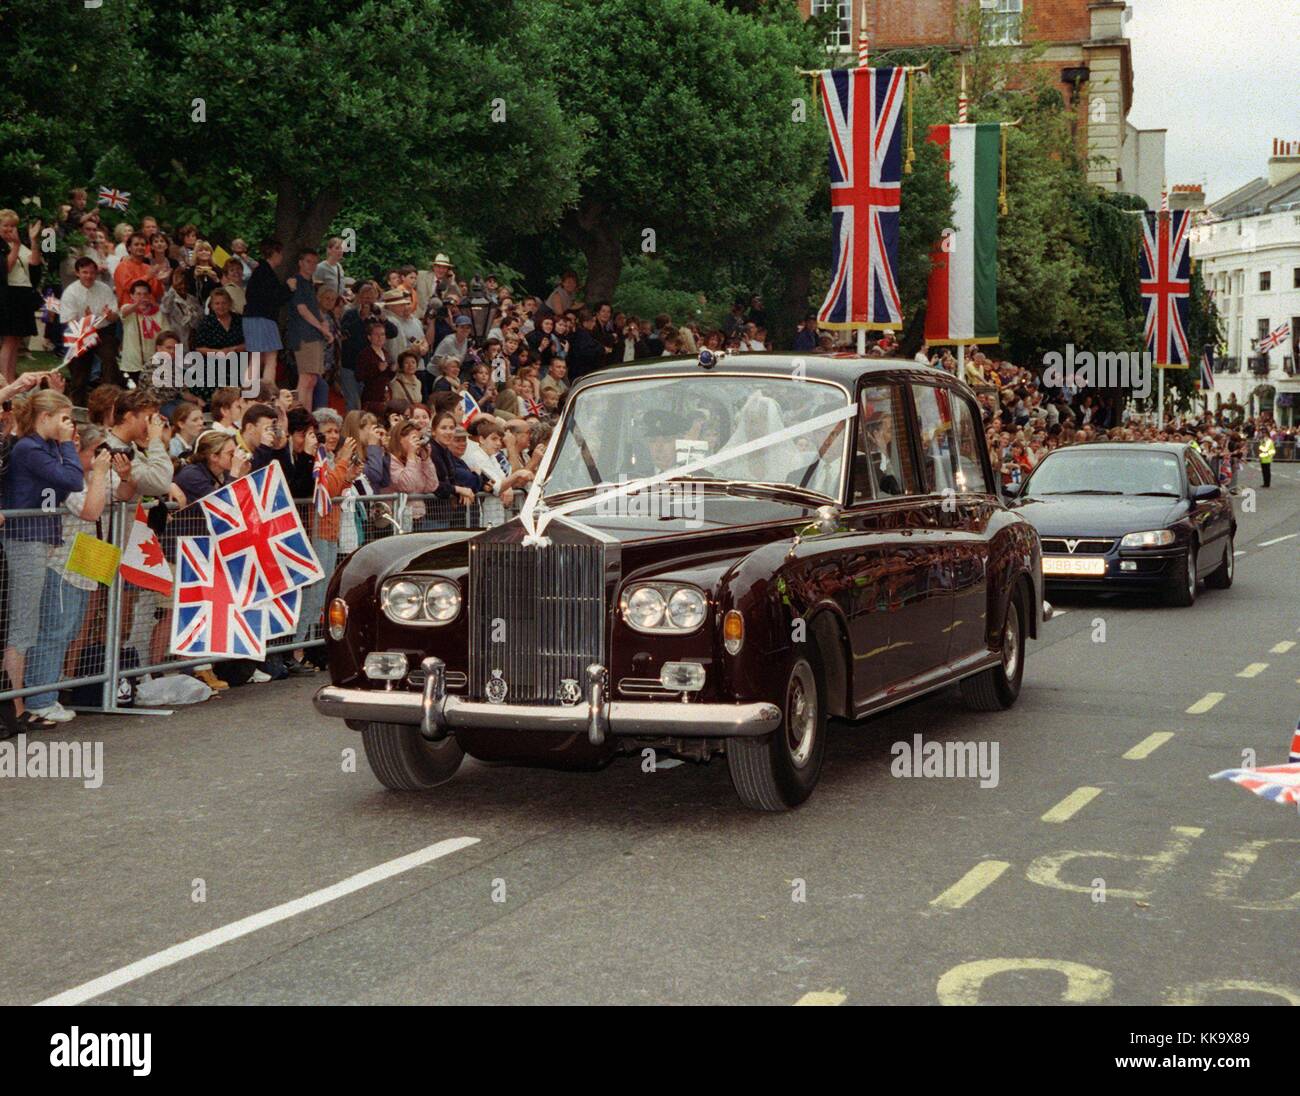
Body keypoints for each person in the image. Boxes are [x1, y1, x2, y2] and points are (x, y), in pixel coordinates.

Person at [2, 391, 83, 729]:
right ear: (45, 417)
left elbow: (62, 489)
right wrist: (68, 445)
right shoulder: (30, 449)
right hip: (24, 541)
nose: (68, 426)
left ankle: (18, 704)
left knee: (29, 626)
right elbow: (74, 479)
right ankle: (15, 708)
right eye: (63, 418)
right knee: (22, 627)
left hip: (40, 539)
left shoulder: (45, 449)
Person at [24, 427, 115, 723]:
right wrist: (98, 474)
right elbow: (90, 510)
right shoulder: (69, 477)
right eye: (96, 452)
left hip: (86, 562)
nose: (102, 458)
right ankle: (40, 699)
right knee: (54, 632)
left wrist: (115, 473)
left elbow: (125, 492)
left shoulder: (93, 476)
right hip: (61, 564)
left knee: (70, 631)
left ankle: (50, 692)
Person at [59, 256, 120, 401]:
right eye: (85, 272)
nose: (89, 276)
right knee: (79, 368)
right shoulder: (70, 292)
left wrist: (109, 315)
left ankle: (108, 398)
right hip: (80, 331)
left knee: (109, 359)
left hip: (103, 331)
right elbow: (69, 320)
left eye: (92, 273)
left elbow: (114, 317)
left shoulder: (104, 289)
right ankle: (78, 402)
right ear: (77, 273)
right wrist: (87, 322)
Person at [1, 210, 44, 385]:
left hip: (23, 293)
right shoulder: (4, 246)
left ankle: (11, 377)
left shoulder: (21, 245)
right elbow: (6, 269)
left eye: (13, 226)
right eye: (6, 225)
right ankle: (4, 379)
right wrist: (16, 246)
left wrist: (33, 241)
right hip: (9, 294)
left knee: (17, 339)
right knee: (9, 339)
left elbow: (34, 263)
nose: (10, 229)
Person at [243, 238, 292, 388]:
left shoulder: (260, 271)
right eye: (280, 253)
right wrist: (288, 288)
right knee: (269, 357)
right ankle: (265, 390)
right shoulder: (265, 273)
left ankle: (252, 390)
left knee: (259, 357)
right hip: (262, 319)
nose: (281, 256)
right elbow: (274, 298)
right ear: (274, 253)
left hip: (255, 318)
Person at [286, 248, 329, 412]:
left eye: (314, 262)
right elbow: (302, 310)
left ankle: (307, 414)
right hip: (303, 334)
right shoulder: (297, 281)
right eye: (308, 261)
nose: (312, 265)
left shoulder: (309, 284)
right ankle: (298, 414)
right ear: (300, 263)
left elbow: (314, 309)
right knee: (305, 378)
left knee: (312, 379)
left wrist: (323, 323)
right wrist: (322, 328)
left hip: (314, 334)